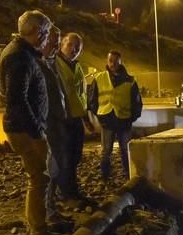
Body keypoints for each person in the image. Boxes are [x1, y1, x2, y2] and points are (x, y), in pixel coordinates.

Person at [0, 10, 53, 235]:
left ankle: (36, 224)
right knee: (38, 178)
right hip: (25, 130)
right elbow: (16, 99)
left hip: (25, 127)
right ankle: (38, 232)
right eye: (46, 32)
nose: (47, 37)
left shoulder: (21, 52)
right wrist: (36, 131)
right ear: (37, 31)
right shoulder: (19, 57)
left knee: (37, 178)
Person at [88, 50, 143, 180]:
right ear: (107, 61)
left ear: (120, 61)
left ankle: (129, 175)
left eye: (116, 60)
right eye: (110, 60)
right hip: (107, 120)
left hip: (124, 121)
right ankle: (105, 177)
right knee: (106, 151)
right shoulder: (99, 78)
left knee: (125, 150)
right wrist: (100, 115)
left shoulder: (130, 80)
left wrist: (132, 117)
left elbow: (137, 102)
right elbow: (92, 100)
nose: (113, 63)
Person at [38, 24, 69, 222]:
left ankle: (50, 206)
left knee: (56, 167)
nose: (56, 47)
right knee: (49, 169)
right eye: (52, 42)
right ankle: (45, 212)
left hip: (57, 124)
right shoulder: (36, 63)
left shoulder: (52, 63)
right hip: (46, 125)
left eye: (58, 43)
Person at [55, 32, 91, 200]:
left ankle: (71, 189)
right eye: (70, 45)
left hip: (76, 118)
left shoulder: (76, 66)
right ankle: (66, 193)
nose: (74, 50)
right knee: (65, 158)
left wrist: (86, 118)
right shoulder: (54, 64)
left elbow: (80, 95)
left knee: (75, 157)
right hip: (63, 120)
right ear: (62, 44)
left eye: (78, 48)